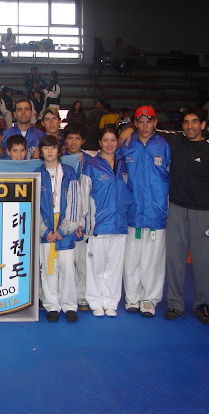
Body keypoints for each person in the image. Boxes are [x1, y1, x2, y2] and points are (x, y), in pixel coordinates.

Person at [120, 108, 209, 324]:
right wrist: (128, 129)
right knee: (174, 261)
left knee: (202, 262)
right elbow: (147, 129)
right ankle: (175, 304)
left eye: (194, 122)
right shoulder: (174, 141)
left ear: (203, 125)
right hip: (177, 209)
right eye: (186, 122)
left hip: (203, 212)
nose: (190, 126)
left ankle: (203, 305)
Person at [115, 105, 170, 318]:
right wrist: (123, 133)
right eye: (141, 122)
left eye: (149, 121)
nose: (145, 126)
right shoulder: (127, 146)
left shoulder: (164, 146)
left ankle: (149, 299)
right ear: (135, 124)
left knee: (153, 260)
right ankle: (132, 298)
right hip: (133, 210)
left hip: (156, 212)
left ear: (155, 123)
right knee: (131, 258)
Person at [79, 127, 132, 317]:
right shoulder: (91, 165)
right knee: (96, 266)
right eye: (106, 140)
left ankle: (111, 302)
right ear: (100, 143)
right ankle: (95, 301)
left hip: (119, 224)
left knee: (114, 267)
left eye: (113, 140)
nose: (110, 144)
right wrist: (83, 222)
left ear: (117, 142)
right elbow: (83, 196)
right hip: (98, 224)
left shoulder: (124, 164)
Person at [36, 135, 82, 323]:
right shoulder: (37, 174)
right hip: (46, 227)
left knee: (67, 268)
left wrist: (64, 230)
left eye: (53, 147)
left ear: (59, 150)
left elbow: (75, 203)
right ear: (41, 151)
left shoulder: (70, 173)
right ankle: (52, 305)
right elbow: (34, 206)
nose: (49, 151)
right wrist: (44, 231)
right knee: (48, 269)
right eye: (45, 148)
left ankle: (69, 305)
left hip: (65, 227)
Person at [62, 122, 95, 311]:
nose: (73, 141)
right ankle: (65, 296)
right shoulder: (59, 160)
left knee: (81, 259)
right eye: (70, 138)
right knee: (65, 261)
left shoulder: (91, 161)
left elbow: (86, 193)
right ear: (65, 141)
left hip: (82, 218)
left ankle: (82, 295)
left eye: (77, 138)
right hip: (63, 219)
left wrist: (81, 220)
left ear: (83, 140)